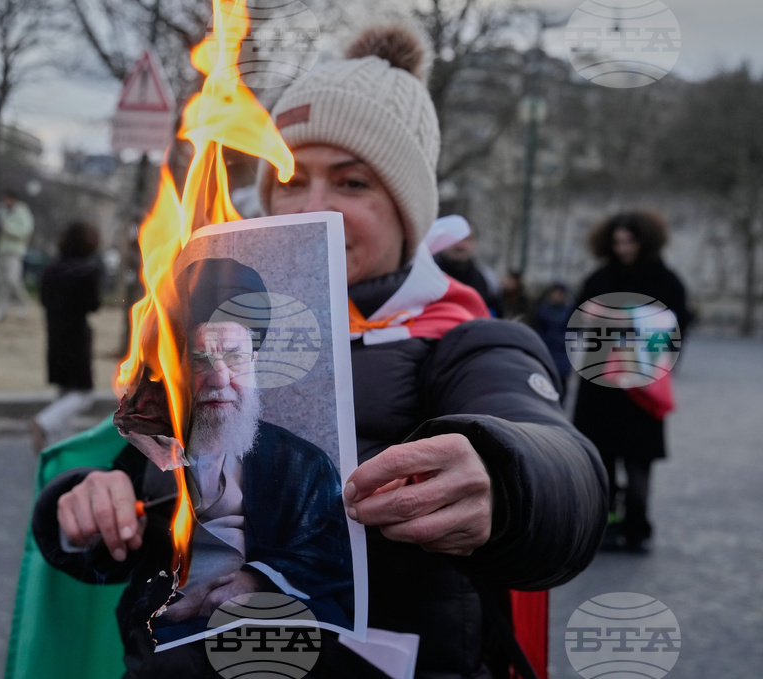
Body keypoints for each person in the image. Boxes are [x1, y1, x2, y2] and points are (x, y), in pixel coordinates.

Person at [254, 25, 607, 678]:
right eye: (290, 177)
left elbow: (567, 471)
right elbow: (138, 485)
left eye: (352, 183)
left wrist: (504, 478)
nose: (313, 207)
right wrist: (89, 499)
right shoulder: (218, 338)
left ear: (407, 208)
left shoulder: (466, 339)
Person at [32, 257, 353, 678]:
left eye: (234, 358)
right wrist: (83, 515)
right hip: (168, 649)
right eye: (200, 360)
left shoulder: (301, 465)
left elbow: (330, 562)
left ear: (256, 361)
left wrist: (260, 584)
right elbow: (106, 554)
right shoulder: (154, 451)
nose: (219, 379)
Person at [572, 211, 691, 554]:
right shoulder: (600, 278)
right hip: (601, 382)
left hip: (642, 379)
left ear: (645, 241)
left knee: (639, 461)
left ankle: (638, 524)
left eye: (629, 241)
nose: (623, 248)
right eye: (617, 241)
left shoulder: (665, 280)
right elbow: (577, 321)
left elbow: (676, 331)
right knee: (600, 459)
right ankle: (605, 525)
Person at [29, 221, 105, 452]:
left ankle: (58, 447)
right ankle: (45, 423)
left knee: (63, 391)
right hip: (77, 335)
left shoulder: (50, 269)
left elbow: (42, 299)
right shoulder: (87, 271)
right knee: (84, 394)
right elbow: (94, 305)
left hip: (54, 333)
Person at [434, 222, 502, 316]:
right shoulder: (426, 273)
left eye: (467, 239)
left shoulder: (485, 282)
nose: (460, 245)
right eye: (455, 238)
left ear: (475, 244)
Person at [0, 189, 35, 321]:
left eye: (8, 199)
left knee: (12, 279)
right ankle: (1, 309)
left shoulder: (23, 212)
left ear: (13, 199)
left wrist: (7, 229)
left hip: (15, 252)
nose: (5, 202)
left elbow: (25, 231)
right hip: (0, 250)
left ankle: (23, 302)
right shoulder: (1, 211)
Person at [530, 282, 575, 391]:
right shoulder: (541, 310)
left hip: (561, 355)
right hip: (546, 351)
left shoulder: (568, 312)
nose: (556, 296)